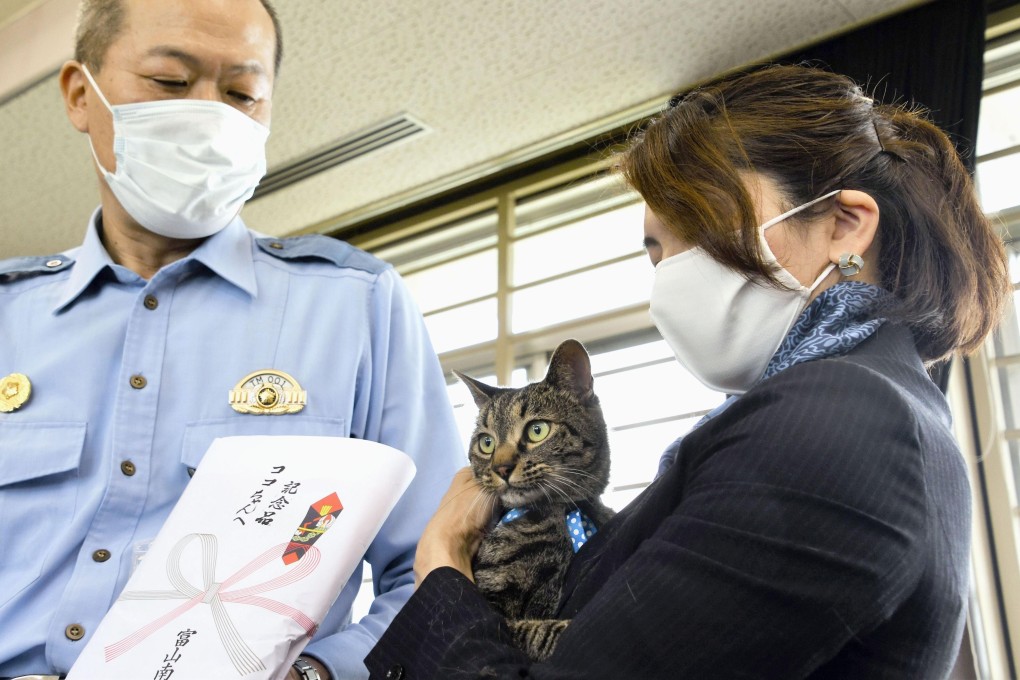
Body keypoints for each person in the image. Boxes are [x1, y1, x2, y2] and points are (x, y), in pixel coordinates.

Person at [364, 64, 1011, 679]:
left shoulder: (840, 419)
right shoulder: (873, 405)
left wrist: (441, 561)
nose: (671, 277)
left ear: (845, 225)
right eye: (656, 252)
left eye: (697, 227)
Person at [0, 1, 464, 679]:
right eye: (169, 81)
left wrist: (317, 674)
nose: (210, 115)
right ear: (80, 94)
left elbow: (439, 571)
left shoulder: (356, 304)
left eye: (242, 94)